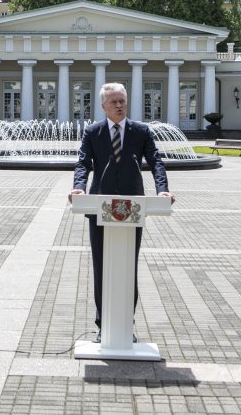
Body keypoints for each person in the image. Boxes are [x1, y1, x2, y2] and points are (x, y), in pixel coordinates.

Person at [71, 82, 173, 343]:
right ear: (103, 106)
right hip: (98, 208)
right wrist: (78, 189)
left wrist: (163, 190)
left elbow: (156, 161)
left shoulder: (141, 131)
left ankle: (127, 322)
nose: (119, 105)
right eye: (113, 102)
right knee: (100, 266)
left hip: (132, 209)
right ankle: (102, 323)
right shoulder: (93, 132)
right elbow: (83, 163)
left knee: (129, 267)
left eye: (122, 101)